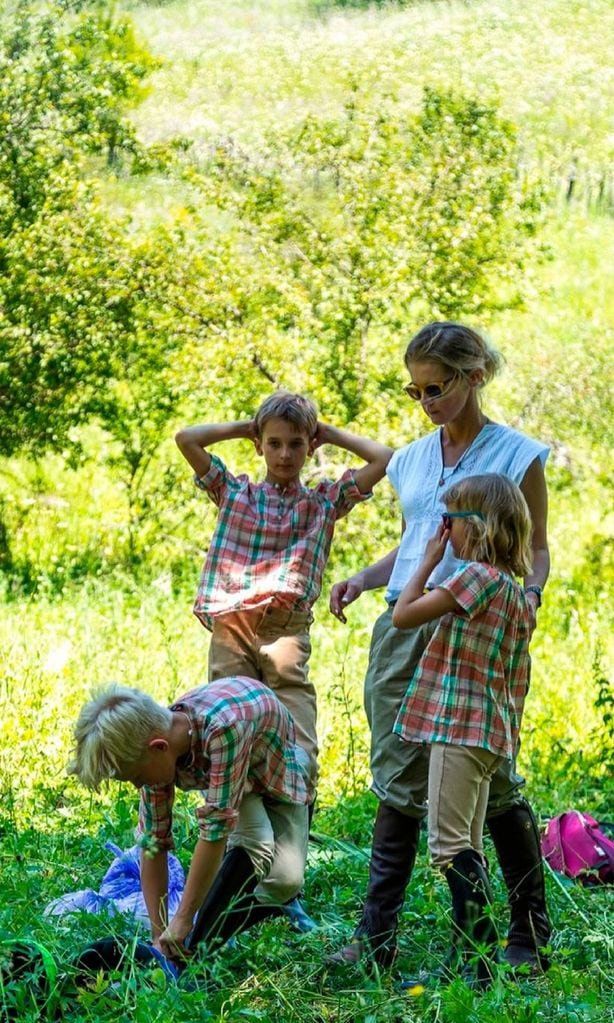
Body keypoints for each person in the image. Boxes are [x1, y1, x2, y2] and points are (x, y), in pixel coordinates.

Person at [328, 321, 551, 971]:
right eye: (415, 390)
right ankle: (375, 940)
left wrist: (530, 597)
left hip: (479, 622)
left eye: (436, 387)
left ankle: (526, 932)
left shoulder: (517, 455)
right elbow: (419, 539)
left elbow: (534, 549)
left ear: (474, 376)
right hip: (407, 619)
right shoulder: (414, 457)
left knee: (495, 778)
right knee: (397, 776)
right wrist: (366, 579)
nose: (426, 401)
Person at [175, 391, 392, 792]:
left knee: (296, 727)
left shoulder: (323, 502)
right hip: (232, 627)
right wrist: (248, 428)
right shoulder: (234, 492)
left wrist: (326, 433)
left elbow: (384, 459)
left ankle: (295, 804)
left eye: (296, 444)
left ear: (310, 447)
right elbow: (187, 438)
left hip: (286, 629)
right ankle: (239, 827)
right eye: (273, 443)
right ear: (259, 446)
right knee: (228, 721)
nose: (285, 455)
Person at [390, 474, 536, 986]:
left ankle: (476, 964)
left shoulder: (473, 578)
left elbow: (404, 616)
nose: (443, 531)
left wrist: (427, 561)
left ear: (475, 529)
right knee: (469, 843)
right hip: (491, 734)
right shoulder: (517, 595)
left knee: (449, 848)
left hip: (458, 728)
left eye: (448, 522)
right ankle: (470, 953)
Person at [67, 676, 311, 962]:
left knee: (285, 880)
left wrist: (183, 919)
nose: (136, 786)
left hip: (273, 770)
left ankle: (223, 927)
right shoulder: (157, 748)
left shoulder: (224, 729)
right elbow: (153, 844)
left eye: (136, 777)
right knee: (254, 842)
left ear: (159, 747)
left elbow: (214, 833)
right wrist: (159, 936)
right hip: (227, 775)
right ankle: (197, 949)